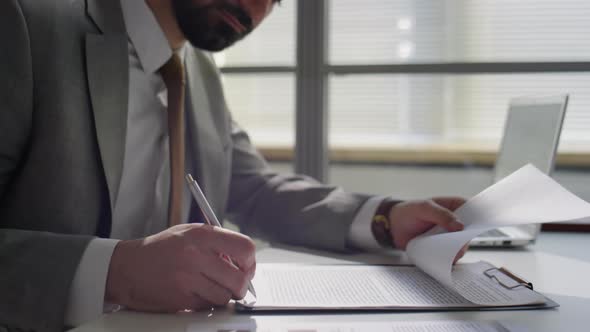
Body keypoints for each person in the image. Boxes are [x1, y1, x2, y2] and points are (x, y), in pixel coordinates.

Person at [0, 0, 466, 331]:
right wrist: (116, 270)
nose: (256, 5)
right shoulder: (24, 23)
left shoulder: (198, 72)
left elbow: (254, 188)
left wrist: (386, 218)